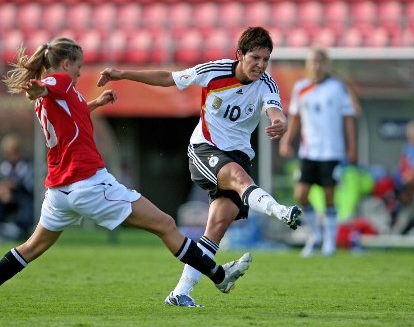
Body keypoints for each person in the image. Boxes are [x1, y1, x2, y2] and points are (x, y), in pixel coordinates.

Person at [0, 38, 252, 298]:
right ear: (65, 63)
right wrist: (36, 90)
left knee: (30, 248)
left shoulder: (63, 95)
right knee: (165, 224)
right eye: (78, 66)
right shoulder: (60, 81)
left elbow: (70, 113)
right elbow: (46, 86)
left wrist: (96, 103)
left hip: (58, 191)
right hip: (88, 183)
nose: (79, 72)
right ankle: (220, 277)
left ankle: (219, 276)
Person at [97, 26, 302, 307]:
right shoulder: (215, 70)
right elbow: (168, 78)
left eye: (266, 59)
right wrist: (123, 74)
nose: (260, 65)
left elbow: (274, 109)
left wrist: (280, 121)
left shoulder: (267, 84)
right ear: (239, 54)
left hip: (238, 155)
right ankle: (280, 211)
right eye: (255, 58)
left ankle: (180, 293)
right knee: (239, 178)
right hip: (205, 149)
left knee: (217, 226)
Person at [279, 46, 358, 257]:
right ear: (308, 65)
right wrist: (287, 141)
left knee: (329, 195)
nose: (316, 66)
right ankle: (316, 235)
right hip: (309, 151)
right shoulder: (301, 88)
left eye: (320, 62)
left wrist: (352, 147)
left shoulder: (337, 88)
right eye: (313, 62)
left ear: (326, 65)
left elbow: (348, 118)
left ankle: (330, 242)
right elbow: (295, 117)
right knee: (301, 194)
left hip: (332, 152)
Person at [0, 133, 34, 240]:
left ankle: (20, 229)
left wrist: (13, 185)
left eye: (15, 152)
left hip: (23, 197)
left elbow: (30, 185)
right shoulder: (4, 166)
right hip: (6, 199)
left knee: (27, 205)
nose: (13, 156)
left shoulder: (27, 165)